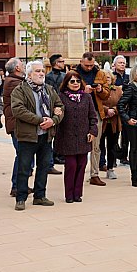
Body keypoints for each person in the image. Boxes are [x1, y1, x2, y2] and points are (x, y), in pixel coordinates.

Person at [11, 60, 64, 211]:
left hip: (46, 136)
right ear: (29, 74)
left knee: (44, 166)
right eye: (37, 71)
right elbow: (18, 110)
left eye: (42, 71)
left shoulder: (49, 89)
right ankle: (20, 198)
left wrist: (53, 121)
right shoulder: (20, 90)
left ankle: (39, 196)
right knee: (24, 168)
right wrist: (41, 120)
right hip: (28, 136)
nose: (41, 73)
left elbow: (59, 107)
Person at [54, 71, 97, 202]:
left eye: (78, 81)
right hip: (67, 137)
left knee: (82, 165)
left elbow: (93, 117)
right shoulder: (61, 97)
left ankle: (78, 194)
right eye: (72, 81)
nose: (75, 84)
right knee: (71, 166)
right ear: (66, 83)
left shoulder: (87, 97)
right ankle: (69, 194)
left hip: (84, 137)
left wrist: (93, 131)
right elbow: (57, 115)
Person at [75, 52, 110, 186]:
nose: (89, 68)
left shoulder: (100, 74)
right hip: (78, 113)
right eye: (86, 65)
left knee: (96, 145)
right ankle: (77, 172)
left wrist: (100, 90)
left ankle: (94, 174)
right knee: (79, 144)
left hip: (96, 112)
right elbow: (66, 92)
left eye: (91, 65)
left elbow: (106, 95)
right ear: (81, 62)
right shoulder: (74, 74)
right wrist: (83, 91)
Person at [2, 58, 28, 197]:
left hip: (19, 123)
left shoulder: (14, 80)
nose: (24, 67)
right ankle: (16, 186)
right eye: (22, 65)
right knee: (22, 155)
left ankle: (20, 184)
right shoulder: (14, 82)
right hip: (17, 124)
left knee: (24, 155)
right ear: (17, 68)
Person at [100, 69, 122, 179]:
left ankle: (110, 168)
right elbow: (96, 103)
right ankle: (97, 169)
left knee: (112, 146)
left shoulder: (118, 90)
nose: (106, 80)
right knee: (99, 147)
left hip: (114, 122)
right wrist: (106, 110)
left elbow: (123, 104)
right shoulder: (98, 90)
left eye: (108, 77)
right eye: (103, 77)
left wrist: (114, 110)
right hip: (101, 121)